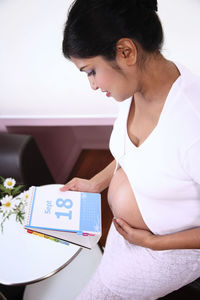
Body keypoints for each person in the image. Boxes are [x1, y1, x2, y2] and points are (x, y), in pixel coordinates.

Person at [61, 0, 200, 299]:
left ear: (126, 52)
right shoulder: (139, 86)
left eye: (91, 71)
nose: (93, 85)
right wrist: (96, 183)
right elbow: (137, 153)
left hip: (170, 250)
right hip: (130, 235)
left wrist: (153, 243)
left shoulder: (193, 125)